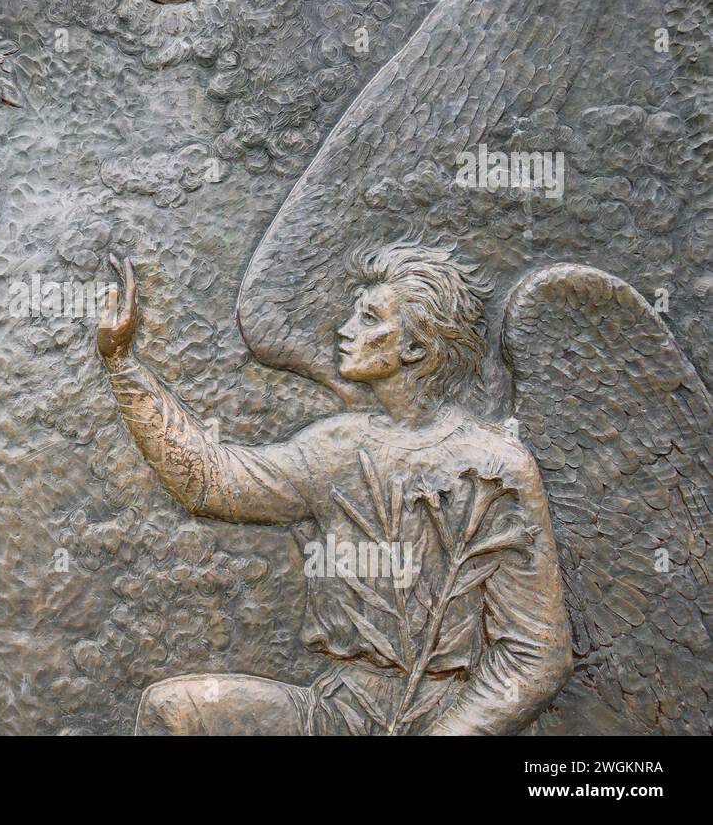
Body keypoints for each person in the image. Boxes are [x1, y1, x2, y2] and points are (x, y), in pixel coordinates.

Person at [96, 242, 572, 734]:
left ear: (415, 348)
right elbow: (211, 481)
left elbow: (537, 657)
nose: (345, 330)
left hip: (446, 716)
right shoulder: (337, 447)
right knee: (172, 712)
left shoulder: (493, 467)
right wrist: (122, 365)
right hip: (338, 713)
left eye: (369, 318)